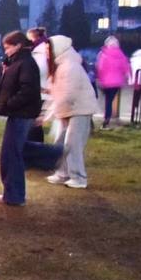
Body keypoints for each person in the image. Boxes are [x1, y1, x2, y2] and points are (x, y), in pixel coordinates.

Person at [0, 31, 42, 206]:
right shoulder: (15, 63)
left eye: (8, 47)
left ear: (18, 45)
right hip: (17, 113)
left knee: (13, 154)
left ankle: (15, 195)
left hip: (21, 114)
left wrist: (10, 104)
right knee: (12, 153)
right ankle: (12, 193)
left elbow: (28, 91)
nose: (6, 51)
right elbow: (1, 87)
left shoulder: (26, 64)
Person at [44, 36, 99, 190]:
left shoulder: (70, 67)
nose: (46, 52)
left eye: (48, 49)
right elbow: (57, 92)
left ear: (58, 49)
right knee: (61, 143)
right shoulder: (60, 66)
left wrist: (50, 114)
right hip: (68, 110)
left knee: (73, 144)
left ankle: (79, 178)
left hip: (80, 109)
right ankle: (62, 173)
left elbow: (68, 94)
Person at [95, 36, 131, 129]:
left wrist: (100, 78)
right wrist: (125, 78)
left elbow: (100, 67)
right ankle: (107, 117)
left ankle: (106, 118)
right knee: (109, 100)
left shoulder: (103, 54)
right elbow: (125, 68)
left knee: (106, 100)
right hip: (117, 83)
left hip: (106, 82)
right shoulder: (121, 54)